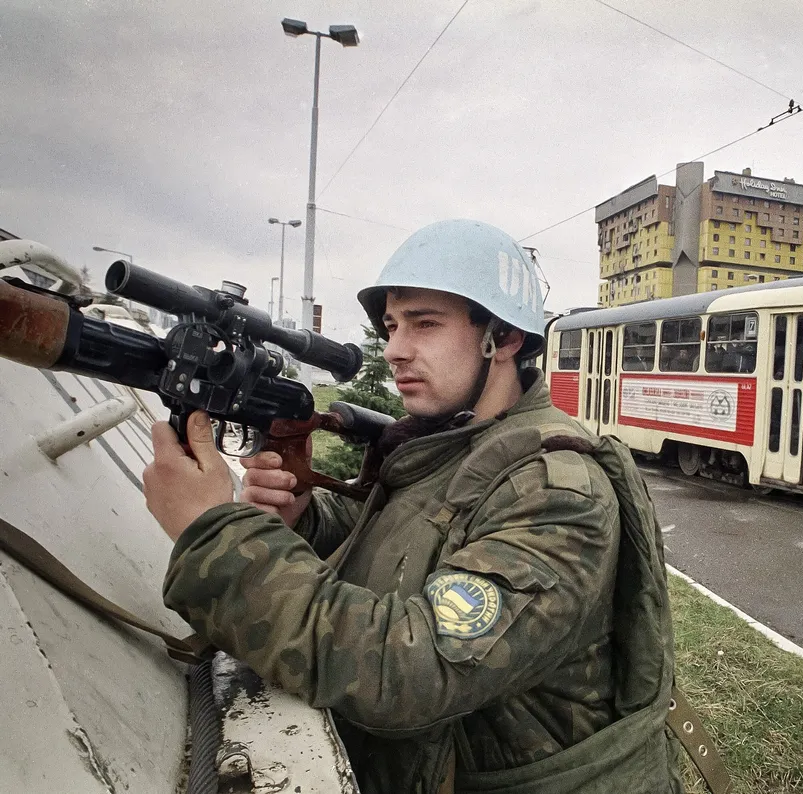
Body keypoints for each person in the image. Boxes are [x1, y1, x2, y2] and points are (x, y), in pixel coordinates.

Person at [142, 219, 683, 793]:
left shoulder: (557, 494)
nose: (395, 349)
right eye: (393, 326)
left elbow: (407, 672)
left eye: (425, 324)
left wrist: (214, 534)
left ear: (503, 339)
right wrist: (307, 518)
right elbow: (409, 535)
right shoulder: (460, 440)